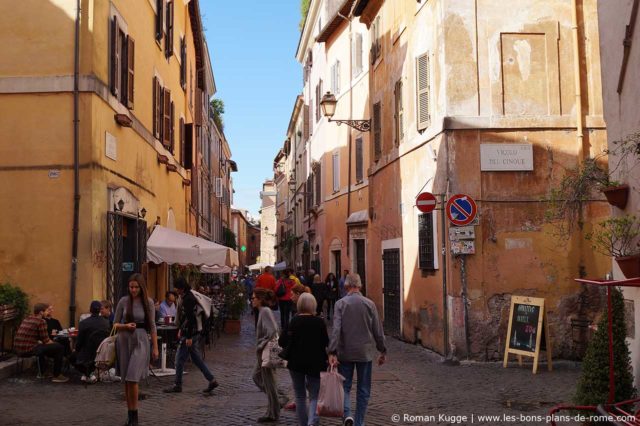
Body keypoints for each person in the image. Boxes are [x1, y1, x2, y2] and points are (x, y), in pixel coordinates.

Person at [328, 273, 387, 426]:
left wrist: (332, 351)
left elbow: (336, 330)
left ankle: (348, 415)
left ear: (346, 286)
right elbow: (377, 331)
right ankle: (359, 422)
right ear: (360, 286)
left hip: (345, 352)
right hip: (365, 353)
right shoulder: (370, 304)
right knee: (363, 390)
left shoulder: (340, 304)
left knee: (345, 387)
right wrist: (382, 350)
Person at [114, 273, 159, 426]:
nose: (133, 290)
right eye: (131, 287)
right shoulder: (123, 301)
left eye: (136, 287)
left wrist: (156, 347)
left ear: (141, 287)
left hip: (141, 340)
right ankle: (130, 415)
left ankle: (135, 416)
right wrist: (125, 326)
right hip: (124, 339)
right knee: (127, 380)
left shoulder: (149, 303)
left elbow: (152, 326)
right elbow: (114, 324)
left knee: (133, 378)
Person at [164, 277, 219, 394]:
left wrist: (188, 336)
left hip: (191, 334)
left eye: (177, 288)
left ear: (181, 288)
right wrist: (181, 329)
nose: (176, 290)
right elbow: (186, 318)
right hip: (192, 332)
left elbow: (191, 319)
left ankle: (177, 385)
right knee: (196, 359)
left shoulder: (188, 299)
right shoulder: (187, 296)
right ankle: (211, 380)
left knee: (179, 359)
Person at [280, 293, 328, 426]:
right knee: (314, 396)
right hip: (316, 362)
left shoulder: (293, 321)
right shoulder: (319, 322)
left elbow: (282, 341)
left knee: (300, 396)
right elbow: (325, 342)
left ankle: (303, 423)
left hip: (296, 362)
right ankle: (312, 422)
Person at [13, 302, 68, 383]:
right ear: (41, 312)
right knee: (60, 347)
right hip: (28, 349)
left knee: (44, 347)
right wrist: (55, 344)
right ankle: (57, 375)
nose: (47, 312)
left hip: (17, 349)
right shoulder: (41, 321)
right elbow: (46, 341)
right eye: (46, 311)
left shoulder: (27, 318)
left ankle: (43, 371)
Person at [252, 288, 283, 423]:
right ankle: (277, 400)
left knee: (268, 381)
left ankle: (274, 411)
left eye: (253, 298)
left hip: (267, 351)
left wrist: (261, 344)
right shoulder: (262, 312)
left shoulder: (264, 311)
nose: (251, 300)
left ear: (260, 299)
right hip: (264, 351)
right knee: (257, 377)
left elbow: (273, 331)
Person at [71, 300, 110, 383]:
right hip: (102, 352)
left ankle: (88, 374)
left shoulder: (84, 323)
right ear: (100, 310)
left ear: (90, 310)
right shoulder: (106, 323)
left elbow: (79, 341)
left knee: (71, 357)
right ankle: (89, 374)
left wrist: (76, 349)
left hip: (87, 353)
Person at [276, 269, 297, 333]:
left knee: (282, 313)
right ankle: (287, 326)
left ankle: (283, 327)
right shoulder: (292, 281)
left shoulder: (280, 281)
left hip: (281, 299)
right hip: (289, 299)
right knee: (287, 313)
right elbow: (295, 287)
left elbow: (276, 288)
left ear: (283, 274)